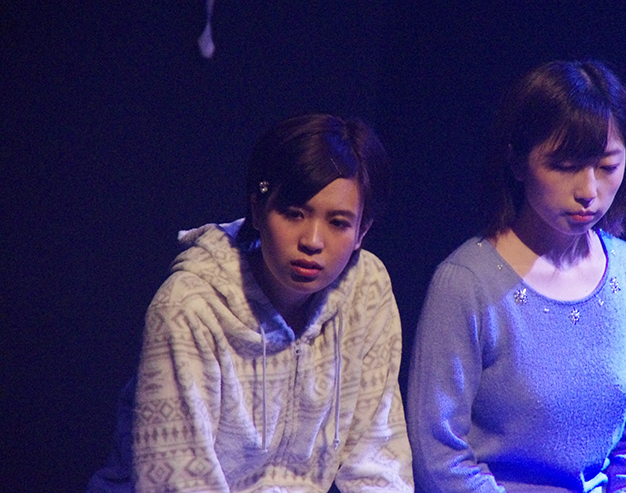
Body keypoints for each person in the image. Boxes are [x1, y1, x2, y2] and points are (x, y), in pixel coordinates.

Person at [87, 114, 413, 493]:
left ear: (361, 231)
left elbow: (379, 463)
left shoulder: (366, 290)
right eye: (293, 213)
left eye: (338, 222)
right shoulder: (190, 306)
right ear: (258, 210)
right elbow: (179, 484)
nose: (312, 240)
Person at [407, 61, 626, 493]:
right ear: (517, 162)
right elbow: (438, 455)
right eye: (564, 166)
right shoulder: (466, 282)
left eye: (607, 167)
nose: (588, 191)